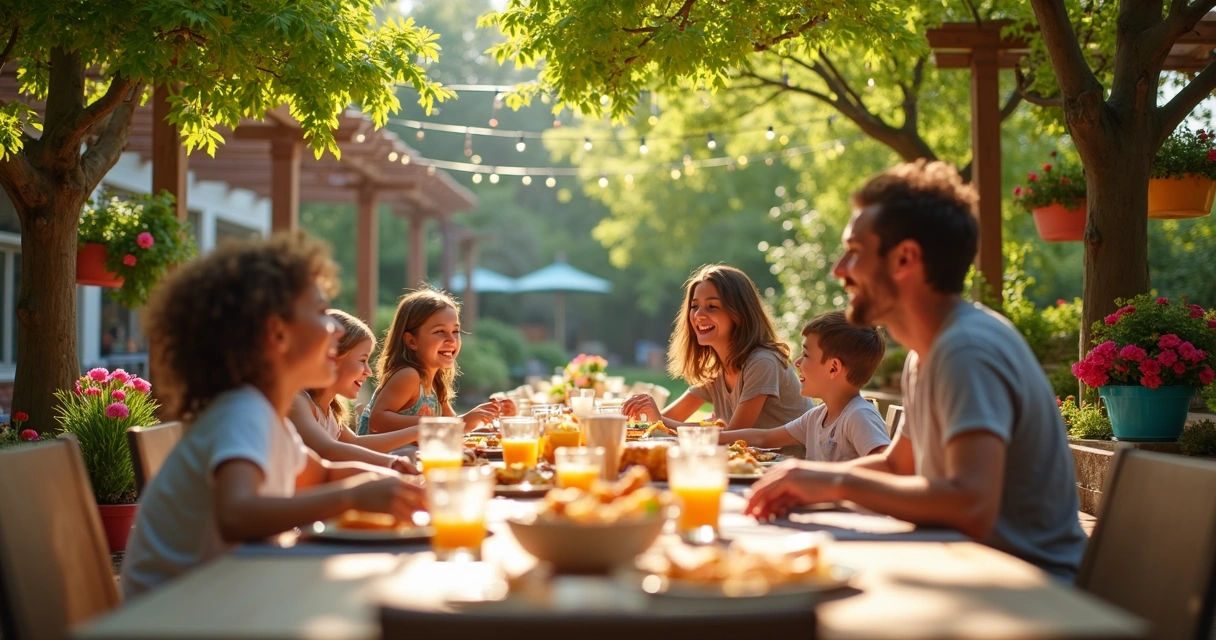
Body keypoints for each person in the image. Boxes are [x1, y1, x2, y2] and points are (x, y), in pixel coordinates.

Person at [747, 160, 1087, 580]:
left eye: (854, 252)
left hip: (1029, 593)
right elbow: (897, 466)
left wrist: (834, 485)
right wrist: (805, 478)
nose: (840, 270)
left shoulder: (966, 349)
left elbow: (971, 504)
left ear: (905, 258)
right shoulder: (926, 353)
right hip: (964, 569)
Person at [123, 232, 424, 599]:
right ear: (277, 333)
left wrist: (396, 476)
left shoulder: (267, 418)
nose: (338, 328)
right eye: (319, 312)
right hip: (180, 613)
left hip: (225, 596)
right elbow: (237, 514)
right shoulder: (242, 412)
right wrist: (352, 497)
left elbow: (322, 473)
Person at [622, 265, 812, 454]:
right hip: (751, 468)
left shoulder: (762, 362)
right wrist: (627, 422)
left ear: (739, 314)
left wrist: (660, 422)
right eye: (694, 306)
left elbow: (733, 437)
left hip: (792, 471)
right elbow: (667, 419)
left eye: (712, 306)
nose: (698, 315)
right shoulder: (716, 368)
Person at [722, 310, 890, 462]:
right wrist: (707, 437)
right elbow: (765, 438)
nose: (797, 362)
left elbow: (885, 465)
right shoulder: (817, 416)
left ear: (833, 368)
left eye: (806, 355)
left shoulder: (859, 415)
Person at [358, 288, 511, 438]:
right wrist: (458, 422)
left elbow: (452, 426)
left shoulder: (435, 383)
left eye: (455, 332)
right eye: (440, 331)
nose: (451, 340)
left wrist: (487, 419)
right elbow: (377, 421)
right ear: (412, 341)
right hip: (382, 460)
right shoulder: (409, 376)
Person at [287, 310, 420, 469]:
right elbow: (328, 450)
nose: (368, 372)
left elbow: (356, 443)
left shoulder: (330, 413)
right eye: (362, 360)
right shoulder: (298, 402)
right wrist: (393, 463)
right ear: (334, 356)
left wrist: (420, 431)